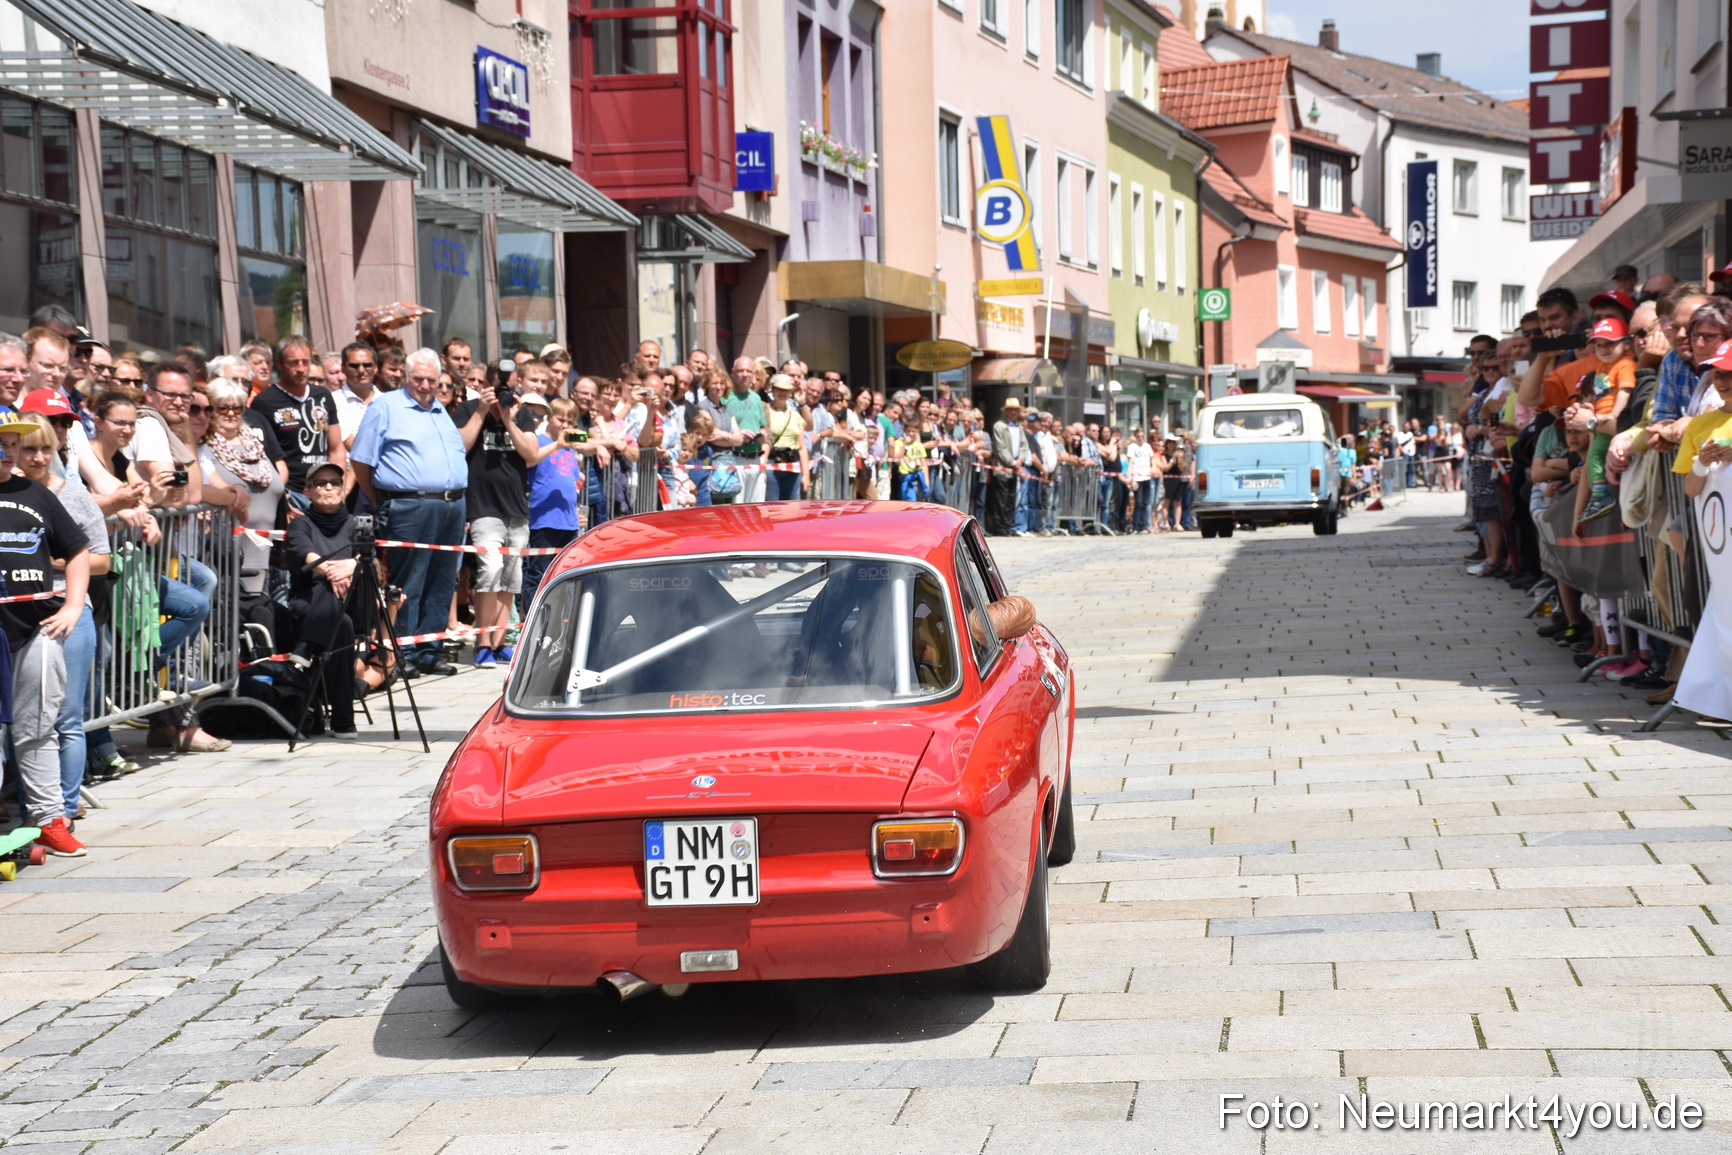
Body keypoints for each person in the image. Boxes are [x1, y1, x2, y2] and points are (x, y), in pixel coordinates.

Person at [11, 412, 112, 827]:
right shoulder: (8, 490)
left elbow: (101, 559)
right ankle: (28, 807)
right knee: (21, 717)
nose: (37, 457)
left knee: (66, 715)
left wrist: (53, 561)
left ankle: (64, 810)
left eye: (45, 448)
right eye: (28, 448)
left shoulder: (73, 495)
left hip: (68, 611)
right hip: (17, 615)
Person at [0, 413, 91, 857]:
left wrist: (73, 605)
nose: (8, 451)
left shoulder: (36, 492)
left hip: (36, 628)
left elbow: (76, 550)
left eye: (13, 443)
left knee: (38, 727)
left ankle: (50, 820)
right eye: (1, 442)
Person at [349, 348, 468, 677]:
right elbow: (361, 459)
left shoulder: (440, 410)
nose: (426, 385)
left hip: (452, 505)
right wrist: (382, 499)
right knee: (408, 582)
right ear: (405, 376)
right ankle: (403, 652)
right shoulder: (386, 406)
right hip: (408, 504)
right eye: (419, 379)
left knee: (443, 579)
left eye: (432, 380)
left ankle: (431, 649)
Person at [451, 363, 541, 667]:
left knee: (511, 576)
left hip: (516, 507)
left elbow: (530, 454)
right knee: (489, 570)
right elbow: (459, 446)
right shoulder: (467, 409)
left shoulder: (520, 411)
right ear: (486, 386)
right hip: (484, 506)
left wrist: (508, 419)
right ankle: (483, 642)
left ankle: (500, 642)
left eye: (511, 386)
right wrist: (481, 411)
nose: (507, 392)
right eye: (501, 386)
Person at [284, 461, 365, 740]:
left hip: (354, 603)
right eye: (320, 483)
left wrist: (352, 568)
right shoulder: (300, 524)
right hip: (307, 604)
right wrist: (336, 569)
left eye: (334, 482)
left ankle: (305, 649)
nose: (328, 487)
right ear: (307, 491)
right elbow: (302, 553)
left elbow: (371, 560)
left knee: (339, 602)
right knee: (339, 621)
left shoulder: (357, 523)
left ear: (344, 489)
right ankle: (343, 721)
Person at [200, 378, 288, 599]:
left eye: (237, 407)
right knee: (229, 618)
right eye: (223, 407)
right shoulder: (204, 445)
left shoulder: (254, 444)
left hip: (265, 548)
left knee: (260, 612)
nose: (231, 413)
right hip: (224, 549)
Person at [522, 397, 586, 608]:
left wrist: (576, 514)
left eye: (570, 422)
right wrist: (556, 445)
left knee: (564, 574)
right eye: (561, 420)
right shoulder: (540, 441)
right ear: (549, 419)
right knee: (539, 573)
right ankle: (534, 619)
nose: (565, 426)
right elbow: (530, 461)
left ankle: (559, 619)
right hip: (544, 520)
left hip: (568, 522)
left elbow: (571, 484)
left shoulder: (569, 449)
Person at [1575, 317, 1637, 526]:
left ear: (1626, 343)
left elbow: (1624, 393)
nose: (1603, 348)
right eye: (1599, 344)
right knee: (1596, 459)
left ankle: (1601, 495)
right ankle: (1602, 496)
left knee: (1594, 457)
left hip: (1612, 422)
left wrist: (1614, 416)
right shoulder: (1602, 366)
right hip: (1600, 421)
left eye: (1610, 343)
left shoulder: (1626, 364)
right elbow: (1601, 393)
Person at [725, 356, 769, 502]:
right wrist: (737, 434)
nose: (745, 375)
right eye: (741, 371)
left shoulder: (756, 398)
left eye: (749, 371)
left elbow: (763, 425)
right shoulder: (725, 397)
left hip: (756, 458)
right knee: (737, 509)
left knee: (757, 509)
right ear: (733, 373)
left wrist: (763, 434)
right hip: (735, 458)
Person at [987, 398, 1029, 535]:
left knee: (1011, 498)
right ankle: (1000, 527)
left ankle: (1008, 525)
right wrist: (1013, 463)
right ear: (1006, 411)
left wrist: (1020, 460)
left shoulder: (1020, 427)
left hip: (1014, 468)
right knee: (1001, 499)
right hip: (1003, 468)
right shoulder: (999, 426)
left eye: (1015, 410)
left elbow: (1024, 445)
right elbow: (1000, 448)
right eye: (1010, 410)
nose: (1013, 412)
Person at [763, 374, 808, 500]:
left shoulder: (795, 415)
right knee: (772, 507)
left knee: (792, 508)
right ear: (773, 389)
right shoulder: (765, 410)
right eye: (779, 389)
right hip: (772, 464)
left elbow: (802, 448)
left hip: (792, 465)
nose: (782, 393)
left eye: (786, 390)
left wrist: (806, 475)